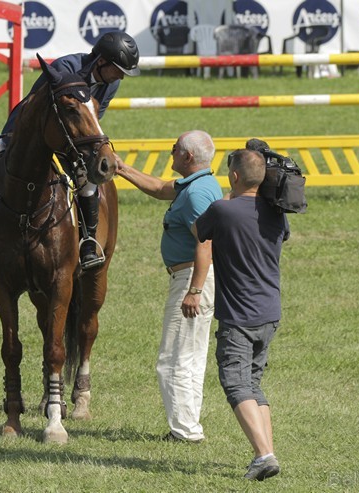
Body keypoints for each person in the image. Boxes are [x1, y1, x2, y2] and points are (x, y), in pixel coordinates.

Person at [0, 31, 141, 271]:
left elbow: (94, 117)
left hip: (71, 141)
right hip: (27, 135)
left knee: (88, 182)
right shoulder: (66, 68)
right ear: (101, 61)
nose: (120, 76)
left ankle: (87, 242)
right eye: (118, 69)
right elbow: (37, 109)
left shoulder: (111, 83)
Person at [114, 130, 222, 443]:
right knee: (190, 355)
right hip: (197, 278)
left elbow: (205, 242)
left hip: (192, 279)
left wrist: (195, 291)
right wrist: (122, 169)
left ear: (187, 156)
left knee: (173, 359)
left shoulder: (195, 195)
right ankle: (188, 425)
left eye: (174, 148)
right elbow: (161, 188)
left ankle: (185, 432)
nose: (170, 151)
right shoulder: (200, 183)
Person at [194, 148, 289, 481]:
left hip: (238, 317)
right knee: (253, 385)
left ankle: (265, 455)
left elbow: (198, 232)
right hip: (269, 312)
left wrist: (226, 200)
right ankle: (264, 453)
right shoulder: (277, 213)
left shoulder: (222, 210)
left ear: (234, 176)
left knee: (236, 384)